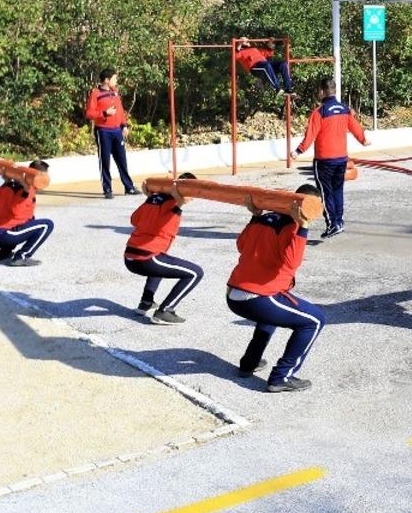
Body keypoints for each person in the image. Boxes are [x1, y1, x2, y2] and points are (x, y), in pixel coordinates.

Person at [226, 185, 324, 393]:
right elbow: (291, 262)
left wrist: (255, 216)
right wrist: (303, 226)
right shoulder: (293, 225)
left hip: (234, 295)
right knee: (314, 321)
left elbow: (241, 245)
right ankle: (281, 377)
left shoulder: (264, 219)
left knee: (272, 314)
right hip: (257, 297)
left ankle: (249, 363)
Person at [293, 80, 370, 238]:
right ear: (334, 91)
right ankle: (339, 221)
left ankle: (332, 224)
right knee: (337, 191)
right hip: (341, 158)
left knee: (325, 193)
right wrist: (363, 139)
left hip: (324, 160)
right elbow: (355, 127)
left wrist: (298, 151)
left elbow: (310, 136)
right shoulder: (344, 109)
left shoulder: (319, 112)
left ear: (322, 92)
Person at [124, 173, 204, 325]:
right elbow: (164, 226)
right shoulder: (174, 204)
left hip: (130, 257)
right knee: (195, 273)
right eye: (194, 193)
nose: (194, 198)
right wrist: (179, 205)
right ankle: (165, 311)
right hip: (146, 259)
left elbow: (134, 220)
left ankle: (145, 302)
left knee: (162, 259)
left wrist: (149, 198)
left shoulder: (153, 199)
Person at [0, 161, 53, 267]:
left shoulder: (11, 185)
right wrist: (26, 192)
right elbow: (16, 211)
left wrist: (5, 183)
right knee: (47, 225)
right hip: (1, 236)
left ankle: (4, 253)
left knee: (30, 221)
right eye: (45, 175)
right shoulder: (25, 190)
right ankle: (21, 257)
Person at [86, 68, 140, 200]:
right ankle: (107, 189)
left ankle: (129, 187)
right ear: (106, 80)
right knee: (105, 161)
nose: (116, 81)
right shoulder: (95, 93)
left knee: (122, 160)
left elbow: (120, 110)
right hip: (103, 131)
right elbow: (89, 113)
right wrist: (104, 113)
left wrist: (124, 125)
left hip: (117, 131)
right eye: (114, 79)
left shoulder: (115, 92)